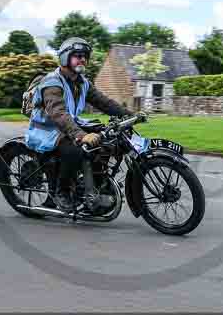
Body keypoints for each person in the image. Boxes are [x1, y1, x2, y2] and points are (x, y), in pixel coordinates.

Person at [24, 37, 142, 212]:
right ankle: (62, 192)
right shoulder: (51, 83)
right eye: (77, 56)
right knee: (76, 150)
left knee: (107, 141)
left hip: (69, 125)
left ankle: (94, 187)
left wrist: (130, 115)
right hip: (48, 130)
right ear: (65, 57)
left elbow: (103, 102)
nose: (82, 60)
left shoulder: (82, 82)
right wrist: (81, 135)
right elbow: (59, 114)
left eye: (85, 56)